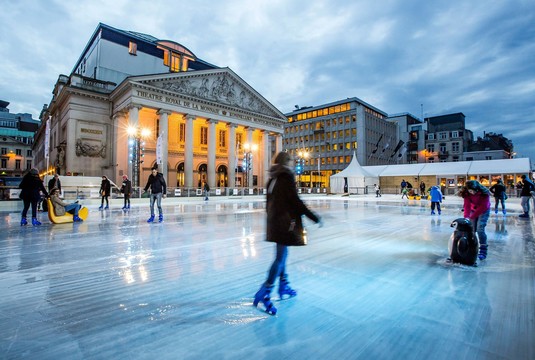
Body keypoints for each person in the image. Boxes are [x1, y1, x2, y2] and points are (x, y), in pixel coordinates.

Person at [253, 152, 322, 315]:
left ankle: (283, 284)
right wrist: (314, 217)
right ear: (286, 162)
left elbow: (268, 202)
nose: (293, 164)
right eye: (291, 161)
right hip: (284, 223)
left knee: (282, 254)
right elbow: (296, 201)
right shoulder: (286, 176)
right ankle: (266, 292)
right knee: (280, 258)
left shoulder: (273, 178)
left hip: (275, 222)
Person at [462, 180, 491, 260]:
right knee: (471, 229)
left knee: (480, 229)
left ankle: (483, 249)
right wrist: (466, 217)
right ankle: (471, 246)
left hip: (484, 211)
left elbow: (483, 207)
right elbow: (467, 206)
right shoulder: (467, 193)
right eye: (470, 191)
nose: (472, 192)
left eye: (474, 191)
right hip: (473, 210)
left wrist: (472, 216)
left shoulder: (484, 193)